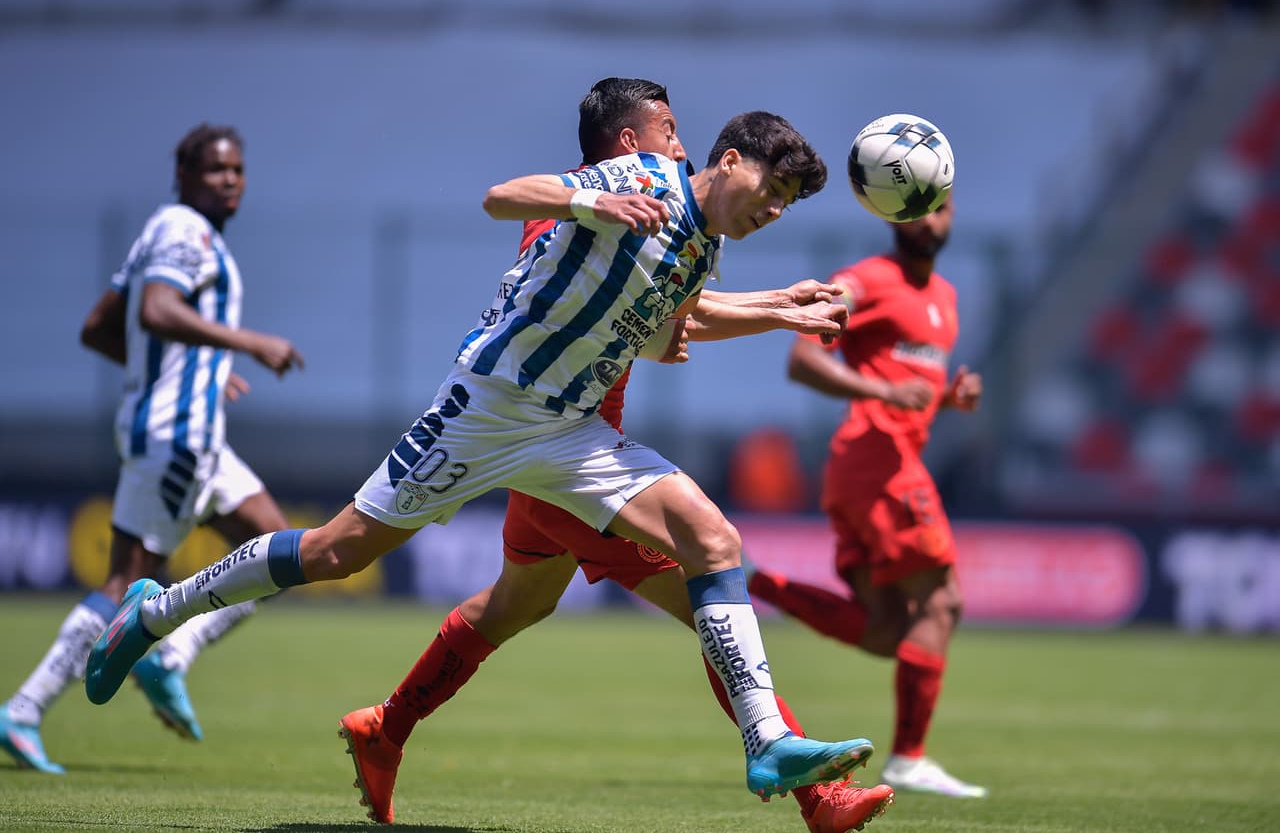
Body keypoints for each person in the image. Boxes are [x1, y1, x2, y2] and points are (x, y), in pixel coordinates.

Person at [86, 109, 881, 814]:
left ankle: (769, 742)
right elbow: (501, 196)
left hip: (572, 432)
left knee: (714, 542)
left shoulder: (702, 249)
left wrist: (780, 309)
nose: (775, 210)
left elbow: (660, 333)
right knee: (336, 551)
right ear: (733, 159)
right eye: (772, 189)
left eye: (788, 203)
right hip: (489, 409)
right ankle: (157, 609)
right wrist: (591, 200)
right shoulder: (642, 177)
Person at [336, 78, 893, 831]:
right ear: (630, 143)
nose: (682, 145)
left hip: (573, 446)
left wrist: (779, 306)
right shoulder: (577, 215)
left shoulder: (666, 223)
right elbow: (659, 324)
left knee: (518, 602)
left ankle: (385, 726)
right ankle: (815, 796)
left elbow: (674, 319)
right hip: (568, 450)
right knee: (712, 596)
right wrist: (772, 311)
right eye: (670, 129)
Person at [0, 124, 303, 775]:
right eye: (217, 169)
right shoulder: (183, 231)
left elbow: (97, 327)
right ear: (187, 175)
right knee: (123, 584)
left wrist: (190, 371)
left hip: (192, 431)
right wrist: (244, 344)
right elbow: (157, 311)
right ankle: (23, 708)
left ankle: (174, 650)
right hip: (174, 436)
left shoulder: (169, 232)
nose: (231, 180)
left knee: (279, 545)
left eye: (239, 170)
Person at [746, 196, 989, 798]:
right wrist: (876, 390)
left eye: (940, 209)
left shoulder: (947, 300)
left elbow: (910, 386)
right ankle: (909, 758)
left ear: (952, 214)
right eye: (916, 211)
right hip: (881, 463)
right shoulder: (871, 280)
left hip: (863, 469)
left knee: (888, 631)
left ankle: (755, 582)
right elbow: (804, 361)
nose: (928, 222)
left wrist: (946, 398)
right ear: (891, 214)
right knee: (942, 603)